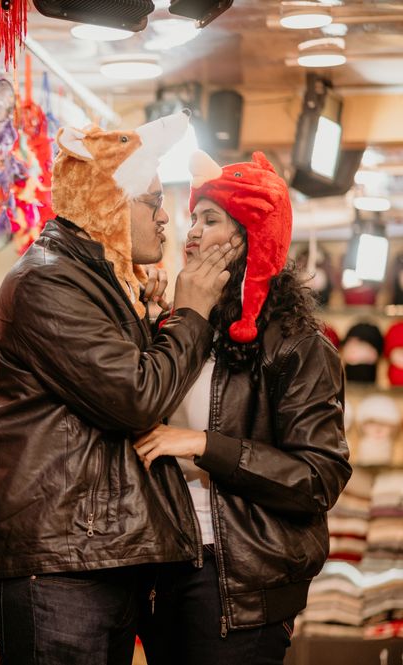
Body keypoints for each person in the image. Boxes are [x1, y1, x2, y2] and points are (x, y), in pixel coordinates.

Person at [0, 112, 241, 665]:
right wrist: (191, 314)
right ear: (110, 204)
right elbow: (137, 397)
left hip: (90, 557)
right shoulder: (48, 280)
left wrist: (155, 320)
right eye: (153, 202)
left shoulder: (98, 282)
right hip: (59, 564)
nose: (168, 220)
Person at [134, 150, 352, 665]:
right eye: (192, 217)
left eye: (210, 219)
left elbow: (319, 477)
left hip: (241, 582)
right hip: (166, 567)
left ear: (250, 236)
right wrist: (148, 324)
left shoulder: (298, 346)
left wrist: (206, 446)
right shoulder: (184, 331)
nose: (190, 232)